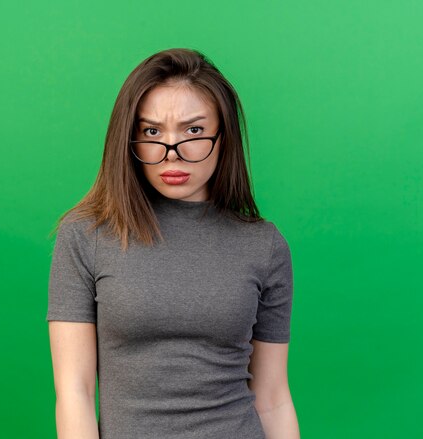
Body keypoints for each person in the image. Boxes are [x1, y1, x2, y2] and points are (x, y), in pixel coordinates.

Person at [46, 47, 300, 439]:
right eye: (151, 132)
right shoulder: (85, 236)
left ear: (224, 137)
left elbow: (273, 397)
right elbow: (74, 393)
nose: (171, 154)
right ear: (129, 139)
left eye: (193, 131)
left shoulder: (264, 246)